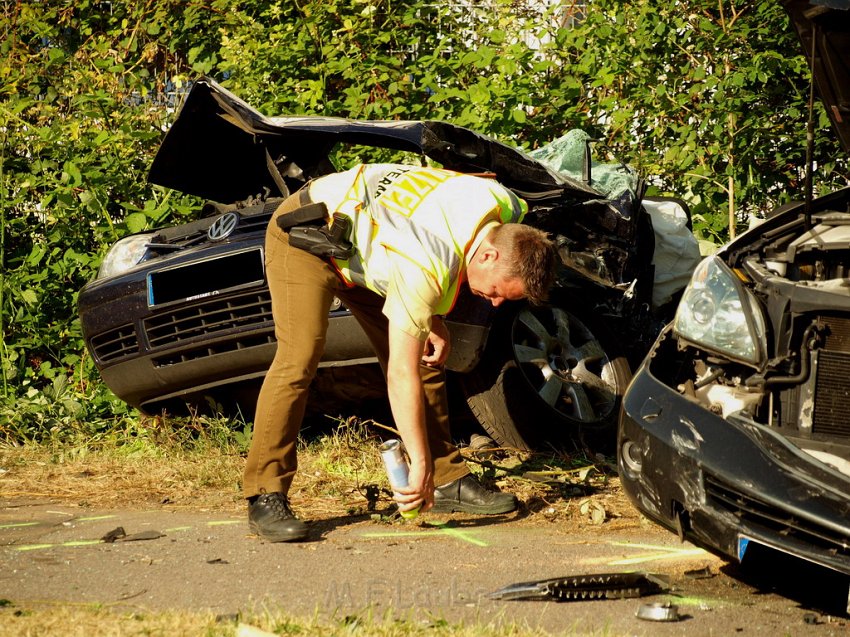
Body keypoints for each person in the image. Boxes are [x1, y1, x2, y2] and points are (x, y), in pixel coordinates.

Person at [244, 163, 556, 542]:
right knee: (299, 358)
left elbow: (434, 230)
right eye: (494, 291)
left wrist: (433, 317)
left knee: (426, 355)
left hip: (365, 244)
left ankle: (446, 480)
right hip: (305, 235)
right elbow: (399, 373)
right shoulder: (426, 264)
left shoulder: (506, 208)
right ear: (489, 256)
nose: (491, 304)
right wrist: (416, 463)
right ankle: (265, 492)